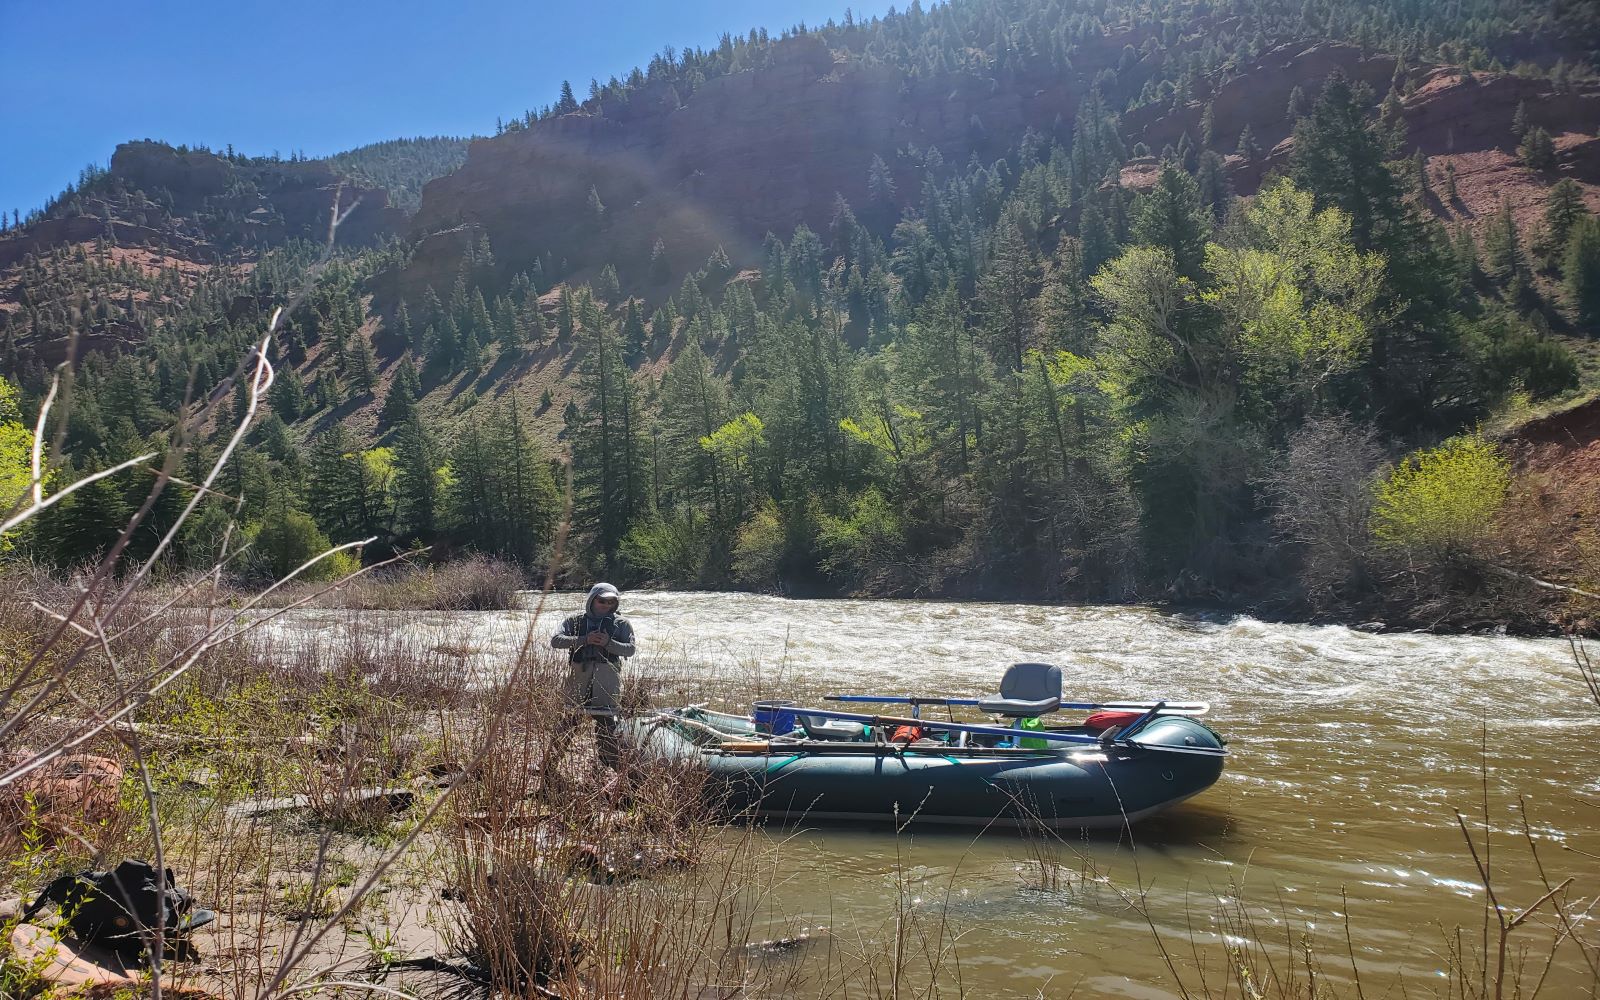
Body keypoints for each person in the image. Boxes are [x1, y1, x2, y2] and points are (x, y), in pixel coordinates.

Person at [550, 582, 636, 769]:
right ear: (592, 599)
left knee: (607, 729)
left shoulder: (622, 624)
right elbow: (556, 641)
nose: (606, 605)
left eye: (611, 602)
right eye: (602, 601)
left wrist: (609, 643)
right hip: (578, 682)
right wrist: (584, 640)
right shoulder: (574, 621)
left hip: (607, 684)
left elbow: (630, 650)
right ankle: (549, 765)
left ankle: (611, 770)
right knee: (567, 724)